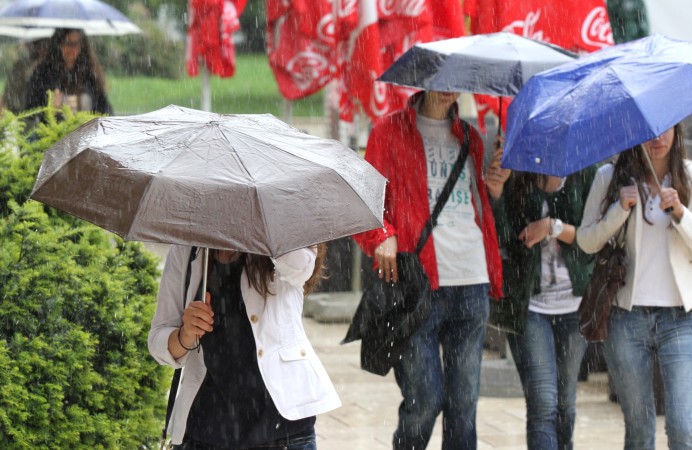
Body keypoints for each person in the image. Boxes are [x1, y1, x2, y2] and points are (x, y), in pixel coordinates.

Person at [352, 90, 505, 450]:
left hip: (471, 280)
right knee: (425, 400)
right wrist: (382, 236)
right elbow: (364, 201)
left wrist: (493, 189)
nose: (448, 86)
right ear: (421, 79)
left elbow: (472, 203)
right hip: (417, 286)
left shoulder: (470, 136)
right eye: (440, 78)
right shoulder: (388, 132)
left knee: (463, 406)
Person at [577, 124, 692, 449]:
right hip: (627, 318)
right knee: (639, 430)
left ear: (677, 129)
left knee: (683, 429)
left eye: (665, 128)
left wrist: (681, 213)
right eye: (648, 130)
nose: (657, 138)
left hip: (680, 319)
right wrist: (619, 210)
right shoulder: (610, 177)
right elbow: (586, 241)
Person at [148, 245, 341, 449]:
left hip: (283, 429)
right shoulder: (187, 249)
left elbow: (301, 267)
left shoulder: (283, 237)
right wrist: (184, 335)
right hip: (205, 429)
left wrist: (262, 222)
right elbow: (157, 340)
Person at [492, 155, 596, 450]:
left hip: (575, 306)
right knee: (542, 403)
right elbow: (505, 238)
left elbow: (594, 238)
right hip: (530, 307)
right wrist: (497, 194)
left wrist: (552, 227)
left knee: (565, 404)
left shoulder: (587, 172)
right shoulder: (519, 173)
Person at [25, 28, 113, 115]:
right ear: (59, 44)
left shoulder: (90, 73)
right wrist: (49, 107)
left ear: (82, 45)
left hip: (87, 128)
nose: (72, 49)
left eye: (76, 44)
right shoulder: (43, 73)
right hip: (54, 129)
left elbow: (105, 109)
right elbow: (30, 110)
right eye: (68, 43)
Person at [2, 38, 50, 114]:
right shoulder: (22, 65)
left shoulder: (48, 66)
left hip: (31, 109)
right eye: (41, 46)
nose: (44, 49)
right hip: (20, 110)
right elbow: (13, 91)